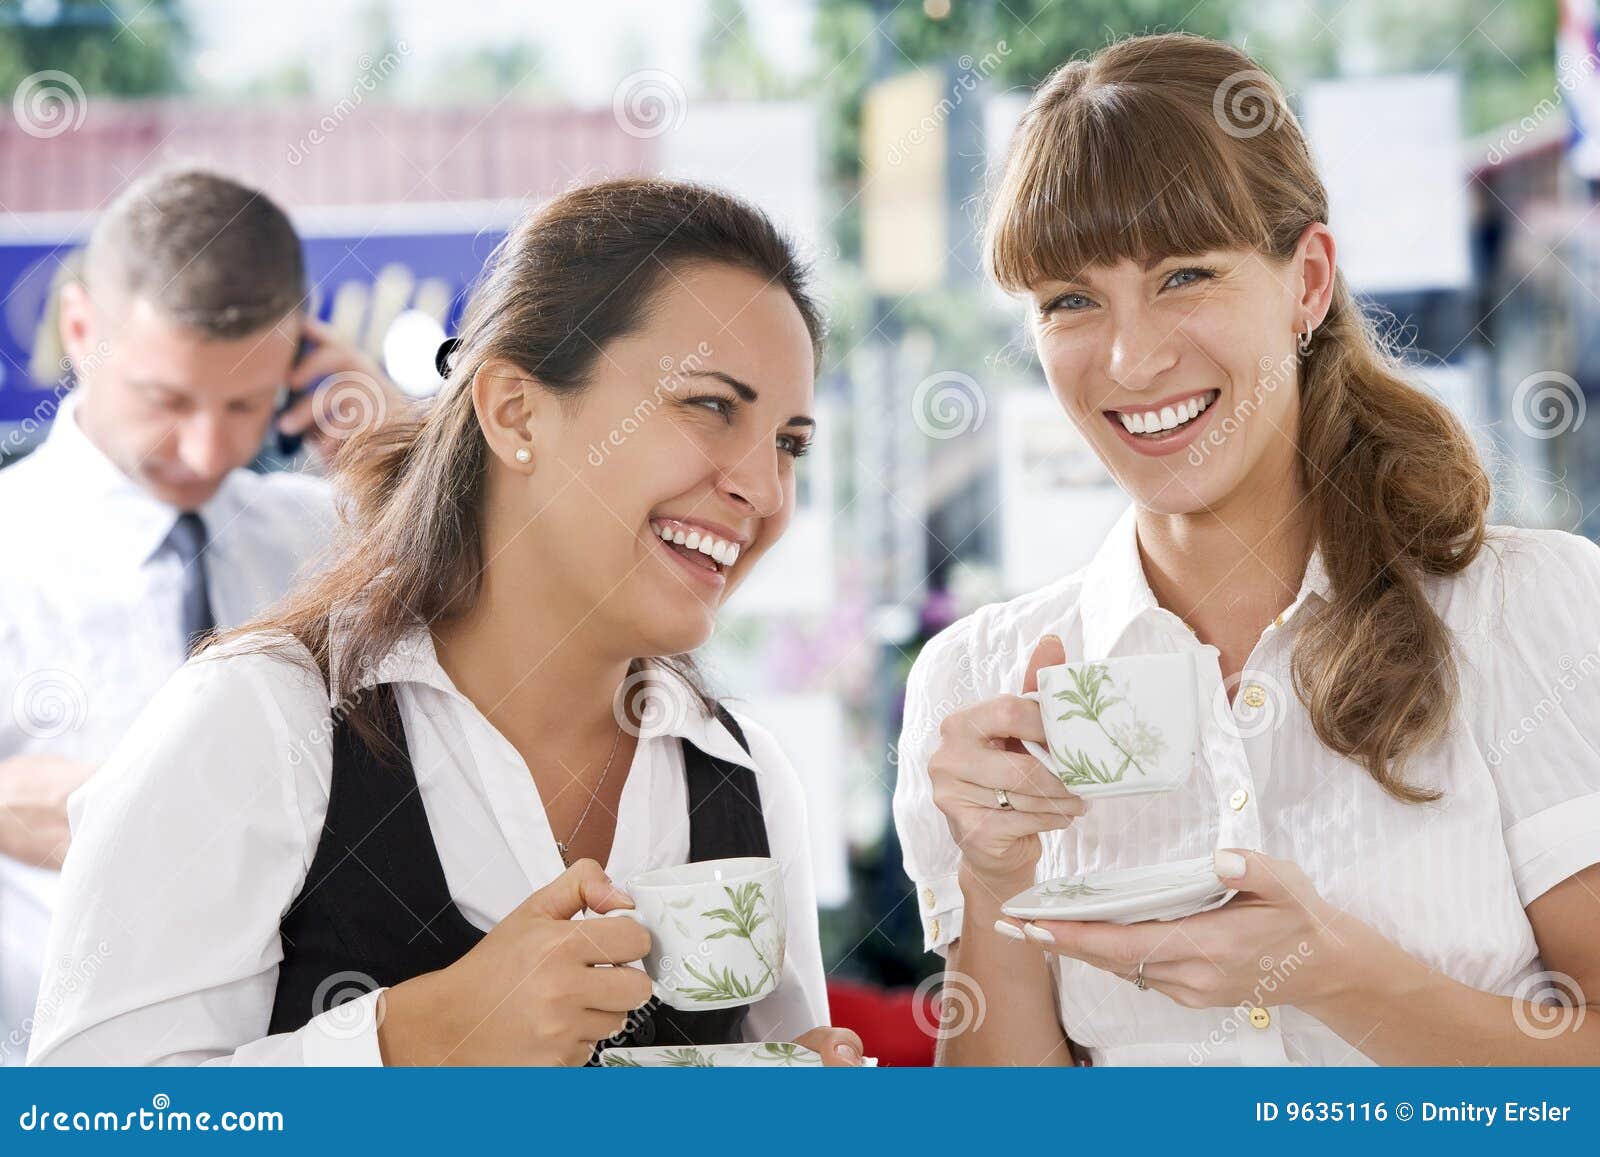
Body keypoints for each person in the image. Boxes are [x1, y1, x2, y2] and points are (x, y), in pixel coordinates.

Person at [28, 177, 863, 1067]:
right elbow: (94, 1117)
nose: (764, 490)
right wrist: (410, 1041)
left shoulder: (747, 778)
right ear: (515, 411)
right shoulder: (261, 722)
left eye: (790, 443)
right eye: (710, 405)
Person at [893, 33, 1600, 1066]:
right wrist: (993, 877)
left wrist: (1330, 974)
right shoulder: (977, 680)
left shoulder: (1525, 610)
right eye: (1070, 300)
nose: (1132, 358)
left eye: (1184, 275)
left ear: (1307, 281)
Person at [0, 167, 399, 1065]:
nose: (208, 448)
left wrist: (404, 470)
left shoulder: (339, 540)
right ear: (80, 331)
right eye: (167, 399)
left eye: (246, 403)